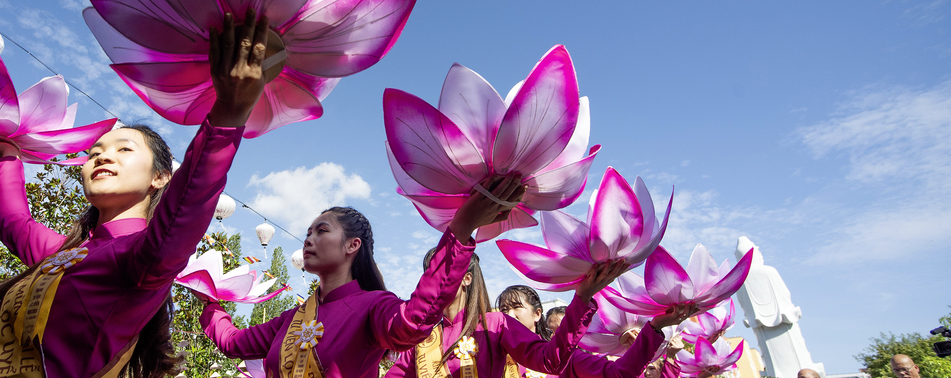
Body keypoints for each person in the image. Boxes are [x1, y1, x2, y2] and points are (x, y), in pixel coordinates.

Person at [0, 11, 270, 378]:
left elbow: (189, 201)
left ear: (159, 177)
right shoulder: (63, 253)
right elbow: (12, 222)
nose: (102, 155)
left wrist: (229, 111)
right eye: (94, 152)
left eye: (124, 149)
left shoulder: (142, 259)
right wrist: (8, 159)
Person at [200, 174, 528, 378]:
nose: (309, 238)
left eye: (322, 230)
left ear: (352, 245)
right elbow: (232, 343)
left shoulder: (373, 308)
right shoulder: (291, 319)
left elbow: (415, 322)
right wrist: (209, 299)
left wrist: (461, 229)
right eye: (308, 232)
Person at [384, 256, 629, 378]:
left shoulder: (495, 323)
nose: (433, 282)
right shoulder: (422, 340)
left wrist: (583, 298)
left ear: (466, 279)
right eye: (429, 274)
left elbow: (551, 361)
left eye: (441, 273)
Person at [532, 288, 696, 378]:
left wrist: (653, 332)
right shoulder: (535, 358)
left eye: (561, 330)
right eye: (550, 331)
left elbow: (618, 374)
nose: (554, 337)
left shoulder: (577, 359)